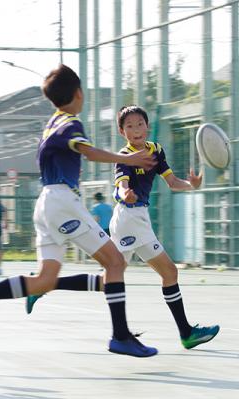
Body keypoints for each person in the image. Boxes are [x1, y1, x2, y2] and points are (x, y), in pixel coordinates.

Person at [0, 64, 158, 357]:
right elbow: (88, 151)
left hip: (46, 202)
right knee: (115, 263)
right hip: (62, 200)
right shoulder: (70, 123)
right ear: (78, 94)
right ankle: (121, 336)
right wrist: (130, 158)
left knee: (46, 280)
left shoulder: (52, 122)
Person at [26, 105, 220, 350]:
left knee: (110, 279)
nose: (136, 130)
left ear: (147, 127)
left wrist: (192, 185)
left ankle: (44, 284)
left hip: (138, 218)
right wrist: (124, 193)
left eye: (140, 124)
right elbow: (120, 185)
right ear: (121, 131)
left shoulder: (156, 151)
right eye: (129, 126)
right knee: (166, 272)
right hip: (129, 219)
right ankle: (186, 333)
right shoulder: (125, 157)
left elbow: (171, 182)